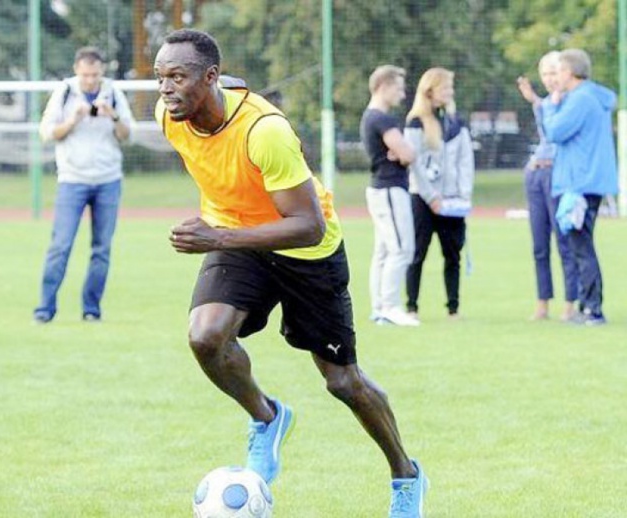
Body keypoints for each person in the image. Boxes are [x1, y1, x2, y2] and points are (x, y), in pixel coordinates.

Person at [154, 29, 428, 517]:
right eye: (160, 78)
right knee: (206, 337)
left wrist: (215, 238)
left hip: (308, 253)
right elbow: (224, 100)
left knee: (343, 382)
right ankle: (268, 418)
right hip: (237, 238)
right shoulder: (170, 116)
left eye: (178, 76)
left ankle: (406, 476)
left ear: (211, 77)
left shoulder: (266, 132)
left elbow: (306, 226)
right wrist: (223, 233)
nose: (166, 89)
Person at [33, 46, 134, 324]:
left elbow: (128, 135)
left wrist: (112, 115)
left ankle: (92, 309)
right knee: (60, 245)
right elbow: (47, 133)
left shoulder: (113, 92)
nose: (90, 80)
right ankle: (45, 309)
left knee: (101, 249)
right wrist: (73, 119)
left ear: (102, 72)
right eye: (86, 75)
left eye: (95, 75)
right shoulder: (64, 92)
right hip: (72, 180)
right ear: (77, 70)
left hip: (108, 180)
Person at [542, 48, 618, 326]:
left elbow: (554, 132)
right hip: (589, 182)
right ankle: (588, 307)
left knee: (580, 245)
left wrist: (551, 105)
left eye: (558, 71)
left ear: (570, 72)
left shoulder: (580, 100)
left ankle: (592, 310)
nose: (555, 77)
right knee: (580, 243)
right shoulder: (593, 97)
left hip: (579, 184)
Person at [404, 68, 474, 320]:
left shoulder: (457, 123)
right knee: (417, 253)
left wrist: (463, 195)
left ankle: (453, 309)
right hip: (423, 200)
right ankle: (411, 307)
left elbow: (466, 161)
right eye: (446, 87)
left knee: (453, 254)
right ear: (430, 90)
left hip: (453, 201)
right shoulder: (415, 122)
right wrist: (431, 196)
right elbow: (415, 163)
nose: (450, 92)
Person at [516, 52, 579, 322]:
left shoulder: (572, 103)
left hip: (558, 174)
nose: (550, 79)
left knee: (564, 243)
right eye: (545, 74)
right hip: (536, 173)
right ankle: (543, 303)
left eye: (554, 72)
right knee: (539, 245)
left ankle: (570, 303)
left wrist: (539, 103)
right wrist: (536, 102)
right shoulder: (545, 104)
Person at [359, 65, 419, 326]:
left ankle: (379, 307)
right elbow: (408, 154)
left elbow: (403, 152)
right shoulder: (381, 119)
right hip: (390, 189)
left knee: (383, 250)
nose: (403, 94)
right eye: (398, 87)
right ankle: (390, 307)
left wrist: (402, 152)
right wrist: (403, 153)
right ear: (383, 86)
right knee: (401, 249)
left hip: (381, 189)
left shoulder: (370, 117)